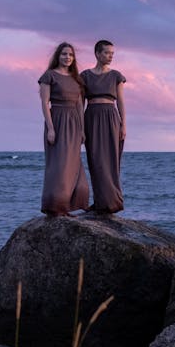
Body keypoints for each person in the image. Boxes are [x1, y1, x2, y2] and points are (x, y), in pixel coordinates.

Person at [38, 42, 89, 216]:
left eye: (71, 55)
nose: (67, 57)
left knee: (73, 163)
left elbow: (80, 106)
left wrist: (82, 130)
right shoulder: (49, 75)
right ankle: (56, 206)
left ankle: (69, 204)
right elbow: (45, 103)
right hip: (57, 121)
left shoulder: (77, 79)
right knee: (58, 165)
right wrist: (51, 128)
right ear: (58, 56)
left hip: (74, 123)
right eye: (64, 54)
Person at [81, 39, 126, 213]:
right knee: (95, 160)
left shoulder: (116, 75)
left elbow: (121, 101)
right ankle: (99, 201)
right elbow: (80, 103)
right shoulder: (85, 75)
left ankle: (112, 202)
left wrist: (123, 125)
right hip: (91, 116)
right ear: (97, 54)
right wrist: (80, 126)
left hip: (111, 116)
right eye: (107, 53)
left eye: (112, 54)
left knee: (111, 160)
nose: (110, 56)